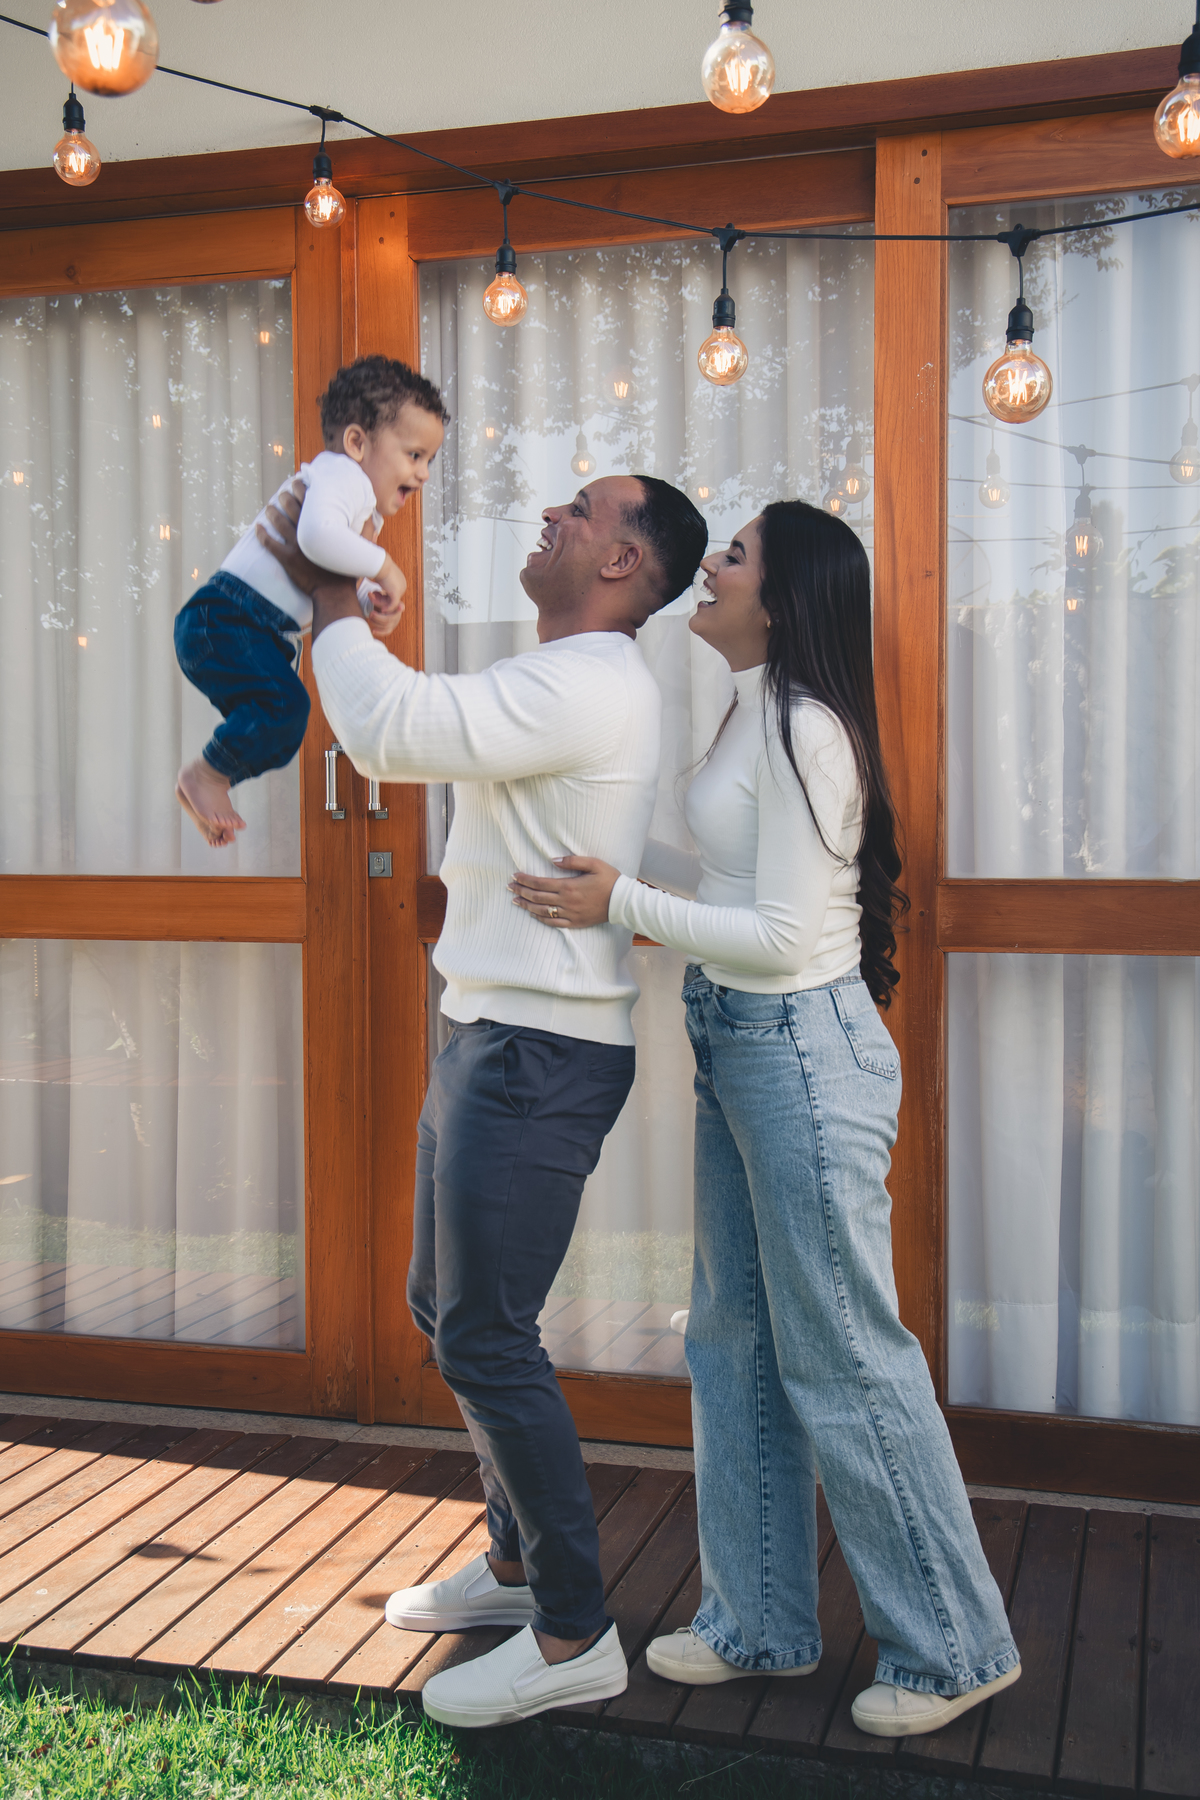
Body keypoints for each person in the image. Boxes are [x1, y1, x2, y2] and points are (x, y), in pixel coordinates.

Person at [511, 500, 1021, 1739]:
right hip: (742, 1042)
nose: (712, 569)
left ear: (781, 602)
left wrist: (623, 902)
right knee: (734, 1340)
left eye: (732, 558)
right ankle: (759, 1623)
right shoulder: (755, 705)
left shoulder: (809, 730)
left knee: (843, 1353)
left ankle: (956, 1649)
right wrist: (624, 869)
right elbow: (741, 884)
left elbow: (788, 937)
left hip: (799, 1051)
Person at [258, 472, 708, 1730]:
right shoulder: (562, 676)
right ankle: (515, 1568)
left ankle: (573, 1632)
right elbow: (421, 717)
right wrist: (365, 630)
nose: (551, 514)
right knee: (442, 1308)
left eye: (582, 509)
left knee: (485, 1337)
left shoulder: (590, 681)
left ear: (622, 563)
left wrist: (333, 593)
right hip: (490, 1037)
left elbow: (390, 732)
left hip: (535, 1056)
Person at [173, 356, 446, 846]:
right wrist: (386, 568)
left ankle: (209, 780)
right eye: (414, 455)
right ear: (357, 443)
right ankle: (207, 775)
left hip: (248, 629)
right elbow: (317, 539)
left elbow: (330, 571)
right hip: (229, 619)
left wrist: (368, 602)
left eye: (429, 460)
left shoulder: (358, 505)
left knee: (281, 723)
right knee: (284, 709)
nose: (423, 473)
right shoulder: (343, 476)